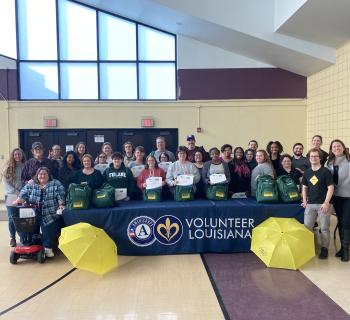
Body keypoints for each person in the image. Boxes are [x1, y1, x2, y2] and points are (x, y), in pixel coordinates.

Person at [13, 167, 65, 258]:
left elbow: (61, 194)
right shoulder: (31, 184)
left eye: (45, 174)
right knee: (29, 229)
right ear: (37, 175)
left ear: (49, 175)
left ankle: (48, 248)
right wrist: (18, 200)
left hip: (49, 211)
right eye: (40, 174)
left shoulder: (55, 183)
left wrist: (61, 204)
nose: (42, 176)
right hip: (32, 211)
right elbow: (23, 193)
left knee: (49, 230)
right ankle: (30, 246)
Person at [302, 148, 334, 259]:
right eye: (311, 156)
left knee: (324, 228)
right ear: (309, 158)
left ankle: (324, 249)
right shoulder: (307, 172)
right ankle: (308, 248)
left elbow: (331, 188)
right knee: (307, 227)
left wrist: (326, 202)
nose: (313, 158)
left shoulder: (326, 172)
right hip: (310, 205)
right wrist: (305, 201)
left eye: (315, 156)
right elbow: (304, 187)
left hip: (323, 205)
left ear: (320, 158)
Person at [326, 139, 350, 261]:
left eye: (338, 146)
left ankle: (346, 251)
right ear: (331, 149)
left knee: (345, 222)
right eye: (334, 147)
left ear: (343, 147)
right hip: (335, 197)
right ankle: (342, 248)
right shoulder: (329, 162)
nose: (336, 148)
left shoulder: (349, 160)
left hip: (348, 197)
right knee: (340, 222)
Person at [1, 148, 26, 246]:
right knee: (12, 217)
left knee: (22, 217)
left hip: (23, 196)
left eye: (19, 154)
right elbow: (5, 182)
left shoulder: (25, 166)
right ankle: (12, 238)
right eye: (15, 154)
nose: (17, 156)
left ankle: (23, 238)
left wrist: (23, 193)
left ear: (22, 155)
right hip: (11, 196)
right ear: (13, 155)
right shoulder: (8, 167)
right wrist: (16, 192)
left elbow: (27, 180)